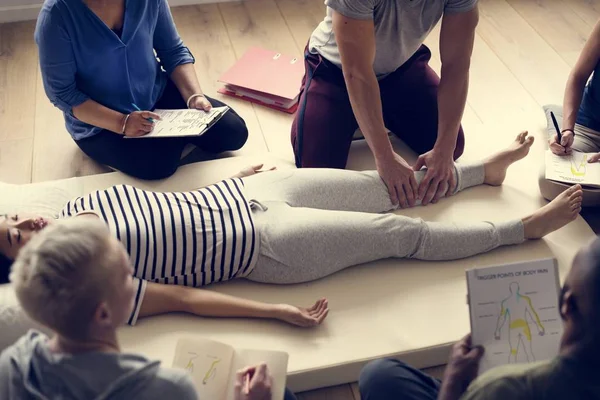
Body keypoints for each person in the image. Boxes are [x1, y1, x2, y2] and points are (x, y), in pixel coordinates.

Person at [0, 133, 584, 328]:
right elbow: (184, 299)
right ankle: (519, 230)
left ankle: (482, 170)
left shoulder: (75, 210)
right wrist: (275, 314)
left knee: (387, 184)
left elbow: (168, 203)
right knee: (399, 231)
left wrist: (237, 174)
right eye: (14, 236)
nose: (27, 219)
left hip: (250, 192)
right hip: (269, 246)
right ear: (20, 264)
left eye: (14, 216)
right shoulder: (88, 281)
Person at [0, 219, 297, 400]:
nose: (132, 276)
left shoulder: (11, 365)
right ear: (102, 314)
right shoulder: (165, 389)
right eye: (126, 277)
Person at [358, 235, 600, 400]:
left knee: (379, 377)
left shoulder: (501, 388)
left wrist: (453, 385)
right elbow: (532, 318)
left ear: (567, 305)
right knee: (382, 375)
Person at [292, 0, 479, 208]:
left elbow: (457, 64)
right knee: (316, 170)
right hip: (336, 71)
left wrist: (445, 148)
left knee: (453, 145)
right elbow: (356, 72)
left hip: (399, 67)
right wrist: (384, 156)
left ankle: (368, 119)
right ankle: (352, 117)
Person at [35, 0, 248, 180]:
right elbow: (63, 94)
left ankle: (168, 140)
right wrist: (122, 123)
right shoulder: (56, 16)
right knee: (159, 165)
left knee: (234, 132)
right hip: (100, 123)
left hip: (156, 93)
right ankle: (168, 143)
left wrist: (194, 96)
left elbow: (172, 50)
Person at [541, 19, 600, 206]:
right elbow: (578, 76)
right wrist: (568, 130)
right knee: (547, 181)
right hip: (590, 127)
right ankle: (560, 120)